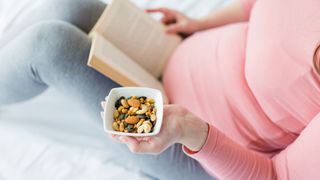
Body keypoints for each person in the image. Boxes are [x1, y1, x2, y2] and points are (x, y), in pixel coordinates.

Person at [1, 0, 319, 179]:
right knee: (69, 8)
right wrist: (199, 24)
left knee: (51, 47)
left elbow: (276, 176)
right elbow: (256, 7)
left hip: (188, 142)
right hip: (177, 54)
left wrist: (192, 132)